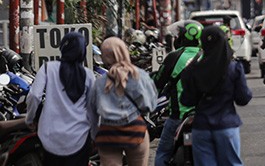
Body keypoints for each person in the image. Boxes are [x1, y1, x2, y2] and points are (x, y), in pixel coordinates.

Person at [181, 26, 253, 166]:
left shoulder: (194, 69)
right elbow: (243, 98)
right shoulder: (234, 68)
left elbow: (186, 100)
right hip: (226, 126)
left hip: (201, 127)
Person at [26, 32, 94, 165]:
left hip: (49, 137)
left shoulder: (47, 68)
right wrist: (95, 134)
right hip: (79, 137)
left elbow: (34, 96)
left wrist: (30, 119)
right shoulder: (89, 75)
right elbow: (93, 109)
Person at [88, 36, 158, 166]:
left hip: (108, 133)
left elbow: (91, 113)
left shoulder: (99, 82)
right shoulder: (139, 75)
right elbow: (151, 105)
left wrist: (95, 135)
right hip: (135, 130)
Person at [153, 22, 203, 166]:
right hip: (205, 117)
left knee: (163, 153)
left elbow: (158, 82)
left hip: (178, 116)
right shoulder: (207, 57)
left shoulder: (174, 56)